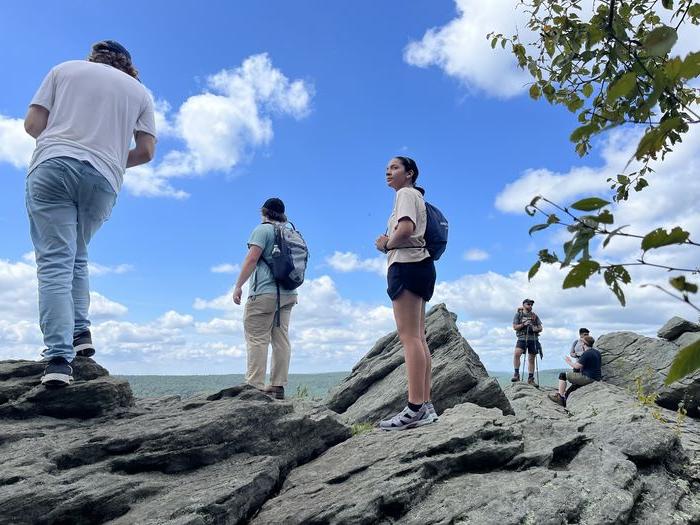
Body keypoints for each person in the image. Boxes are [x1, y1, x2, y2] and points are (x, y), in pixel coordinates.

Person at [24, 41, 156, 387]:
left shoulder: (64, 70)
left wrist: (65, 138)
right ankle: (81, 332)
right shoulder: (140, 93)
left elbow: (33, 124)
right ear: (129, 65)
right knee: (78, 254)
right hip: (103, 179)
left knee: (55, 260)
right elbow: (145, 151)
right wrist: (109, 155)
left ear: (93, 58)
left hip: (54, 164)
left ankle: (57, 358)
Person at [374, 156, 437, 430]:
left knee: (409, 337)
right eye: (387, 168)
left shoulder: (406, 194)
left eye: (395, 168)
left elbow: (406, 228)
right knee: (418, 338)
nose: (389, 172)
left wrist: (386, 243)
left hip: (407, 264)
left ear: (409, 174)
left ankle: (414, 408)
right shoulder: (414, 196)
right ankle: (425, 405)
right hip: (421, 265)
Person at [232, 198, 298, 400]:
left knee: (257, 338)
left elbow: (252, 258)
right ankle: (278, 386)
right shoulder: (291, 233)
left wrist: (238, 286)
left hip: (264, 293)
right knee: (281, 339)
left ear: (264, 212)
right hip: (288, 294)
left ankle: (254, 385)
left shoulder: (263, 230)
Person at [548, 335, 602, 407]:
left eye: (581, 342)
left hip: (588, 378)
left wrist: (568, 361)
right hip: (596, 378)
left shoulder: (587, 353)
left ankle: (560, 397)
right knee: (571, 390)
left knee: (563, 375)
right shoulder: (596, 352)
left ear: (583, 343)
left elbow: (577, 366)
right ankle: (565, 401)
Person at [511, 299, 543, 385]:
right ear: (524, 304)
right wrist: (523, 324)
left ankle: (530, 378)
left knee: (531, 358)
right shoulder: (518, 314)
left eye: (531, 305)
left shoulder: (534, 316)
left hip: (533, 338)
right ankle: (516, 374)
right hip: (522, 337)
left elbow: (540, 328)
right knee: (517, 353)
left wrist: (534, 328)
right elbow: (514, 327)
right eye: (528, 304)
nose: (530, 306)